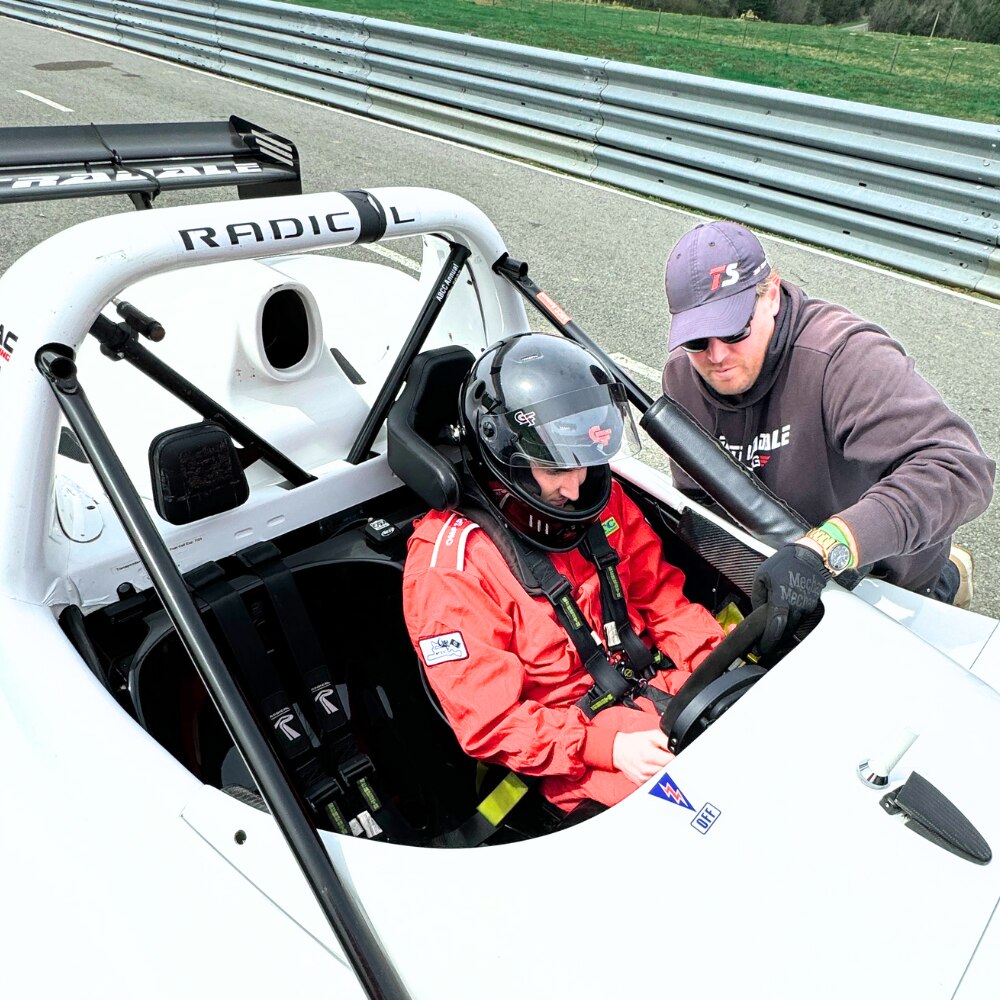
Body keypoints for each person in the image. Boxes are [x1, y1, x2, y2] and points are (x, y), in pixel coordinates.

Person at [402, 333, 724, 813]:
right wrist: (608, 747)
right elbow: (491, 722)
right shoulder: (449, 568)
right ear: (508, 462)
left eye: (583, 462)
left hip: (665, 693)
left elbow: (664, 603)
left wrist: (716, 666)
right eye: (554, 469)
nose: (575, 488)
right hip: (577, 755)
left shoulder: (599, 498)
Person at [661, 219, 995, 647]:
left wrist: (829, 546)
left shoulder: (843, 358)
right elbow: (698, 503)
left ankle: (949, 574)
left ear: (771, 295)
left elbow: (960, 469)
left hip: (883, 574)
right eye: (696, 340)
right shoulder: (682, 380)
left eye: (733, 330)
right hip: (776, 564)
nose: (717, 355)